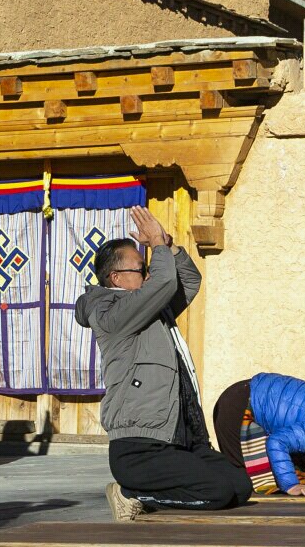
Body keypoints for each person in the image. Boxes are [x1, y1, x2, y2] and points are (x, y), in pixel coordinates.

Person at [74, 206, 252, 521]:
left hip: (180, 438)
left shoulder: (151, 306)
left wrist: (167, 245)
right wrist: (155, 245)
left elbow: (188, 281)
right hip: (140, 446)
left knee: (239, 485)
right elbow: (164, 281)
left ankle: (145, 493)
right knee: (218, 492)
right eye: (141, 269)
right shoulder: (109, 312)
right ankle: (130, 494)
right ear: (116, 277)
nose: (148, 274)